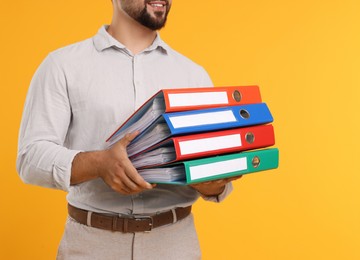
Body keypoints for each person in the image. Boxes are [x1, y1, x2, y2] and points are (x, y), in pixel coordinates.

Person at [17, 0, 241, 259]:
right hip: (91, 246)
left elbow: (214, 172)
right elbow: (30, 158)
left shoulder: (194, 75)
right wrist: (98, 163)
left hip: (175, 246)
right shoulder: (62, 65)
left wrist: (212, 183)